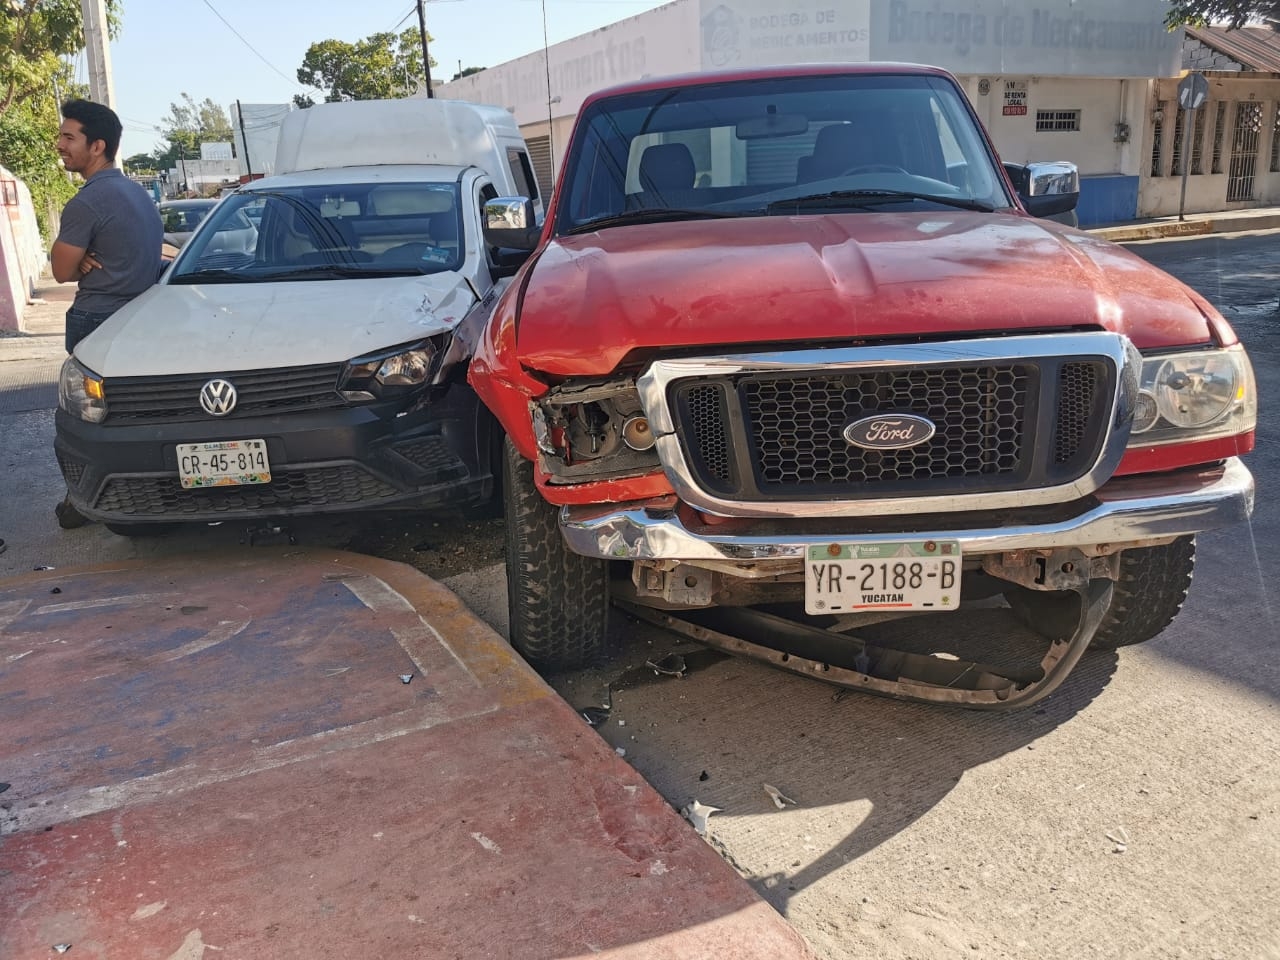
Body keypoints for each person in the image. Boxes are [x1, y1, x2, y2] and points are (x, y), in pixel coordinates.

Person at [51, 99, 163, 528]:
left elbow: (60, 270)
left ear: (96, 146)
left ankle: (84, 499)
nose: (60, 144)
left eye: (68, 137)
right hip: (141, 316)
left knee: (86, 418)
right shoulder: (136, 193)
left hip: (96, 319)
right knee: (136, 412)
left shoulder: (87, 202)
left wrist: (76, 261)